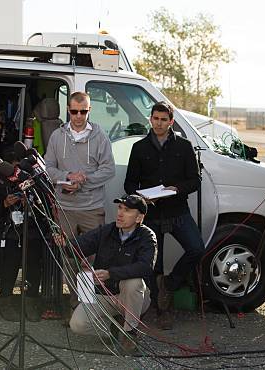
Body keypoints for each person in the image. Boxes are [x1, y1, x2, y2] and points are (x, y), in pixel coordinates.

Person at [124, 101, 204, 330]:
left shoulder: (185, 146)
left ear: (171, 121)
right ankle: (162, 310)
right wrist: (142, 197)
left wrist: (176, 189)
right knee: (154, 265)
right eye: (155, 118)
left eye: (163, 119)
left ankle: (170, 283)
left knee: (196, 248)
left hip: (178, 210)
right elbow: (129, 183)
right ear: (151, 119)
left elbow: (195, 181)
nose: (158, 123)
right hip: (151, 214)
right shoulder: (139, 148)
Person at [45, 91, 115, 312]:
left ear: (89, 111)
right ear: (68, 110)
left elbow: (109, 169)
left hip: (92, 208)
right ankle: (75, 306)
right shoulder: (57, 136)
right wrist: (67, 178)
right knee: (69, 259)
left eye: (83, 111)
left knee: (94, 260)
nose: (78, 116)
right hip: (65, 208)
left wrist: (84, 179)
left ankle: (93, 307)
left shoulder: (100, 135)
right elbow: (47, 168)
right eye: (74, 111)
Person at [67, 195, 155, 354]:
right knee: (77, 325)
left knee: (133, 282)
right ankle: (113, 329)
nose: (120, 214)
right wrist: (64, 243)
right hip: (104, 294)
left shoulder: (147, 236)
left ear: (139, 217)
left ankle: (130, 334)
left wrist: (110, 273)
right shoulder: (107, 230)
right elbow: (78, 246)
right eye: (120, 208)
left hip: (132, 297)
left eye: (127, 210)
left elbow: (145, 267)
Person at [0, 147, 43, 322]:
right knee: (9, 266)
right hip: (11, 231)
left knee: (33, 267)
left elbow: (47, 208)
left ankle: (31, 302)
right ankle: (5, 302)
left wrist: (31, 204)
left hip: (33, 229)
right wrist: (5, 203)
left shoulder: (34, 178)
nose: (14, 175)